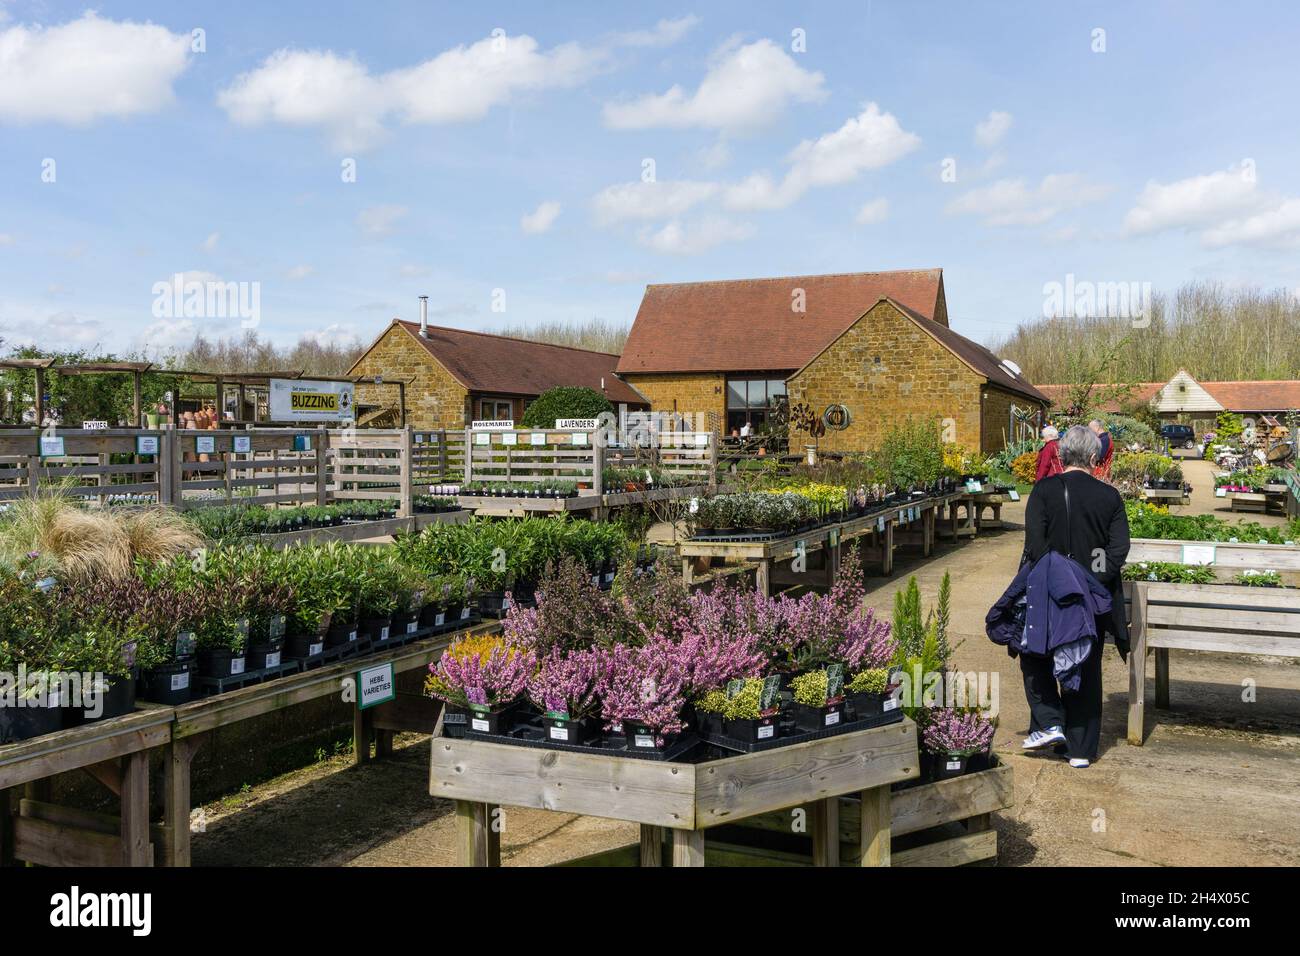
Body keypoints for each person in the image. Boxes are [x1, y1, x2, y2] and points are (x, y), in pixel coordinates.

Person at [1017, 425, 1130, 767]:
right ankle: (1080, 749)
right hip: (1093, 598)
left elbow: (1035, 546)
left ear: (1061, 455)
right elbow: (1117, 548)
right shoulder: (1109, 497)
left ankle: (1050, 721)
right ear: (1095, 458)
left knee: (1036, 655)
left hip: (1050, 593)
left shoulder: (1044, 492)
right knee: (1086, 663)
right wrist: (1092, 577)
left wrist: (1060, 575)